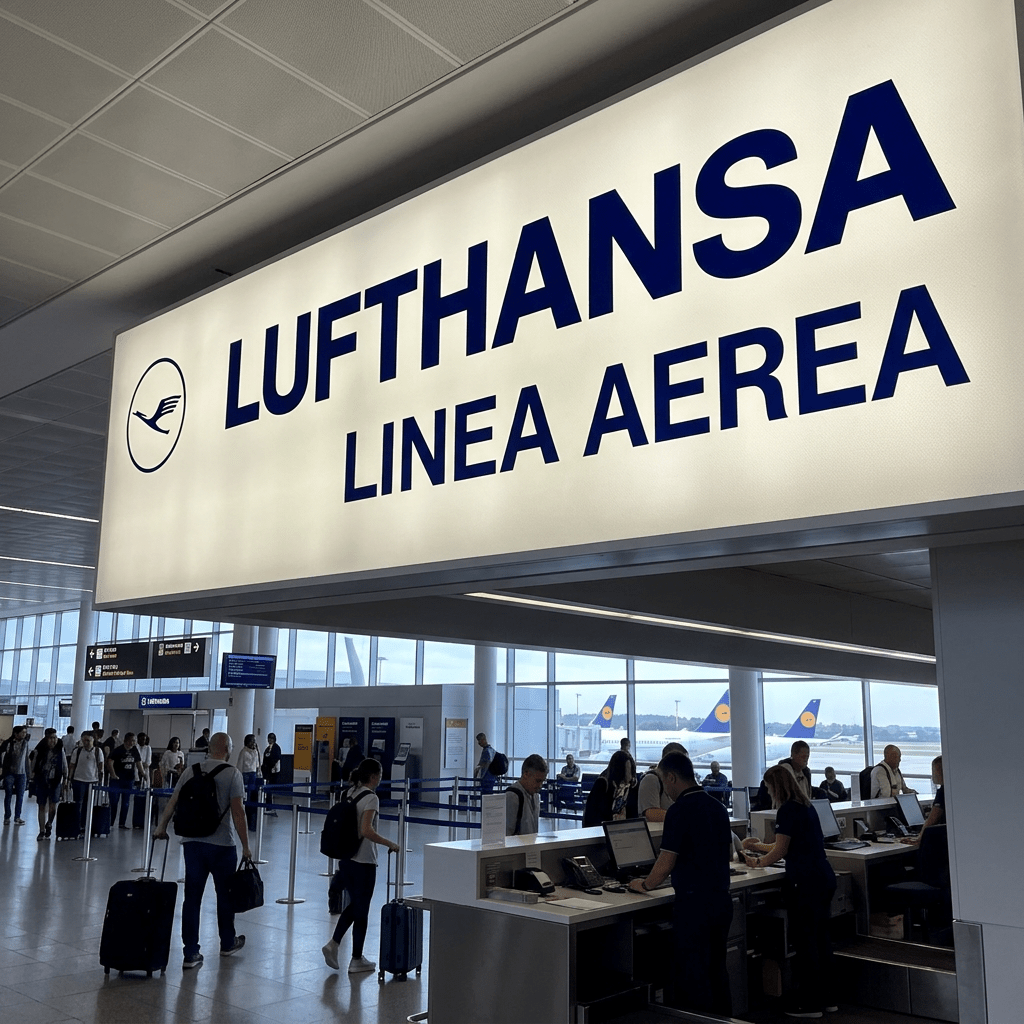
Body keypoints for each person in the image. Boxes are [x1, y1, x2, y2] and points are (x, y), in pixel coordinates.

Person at [627, 752, 733, 1016]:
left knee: (693, 975)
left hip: (694, 904)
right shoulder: (718, 807)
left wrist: (646, 884)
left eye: (665, 782)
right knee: (717, 969)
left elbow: (666, 859)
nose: (666, 789)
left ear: (672, 778)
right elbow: (729, 852)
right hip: (721, 901)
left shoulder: (678, 811)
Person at [743, 764, 838, 1019]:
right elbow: (784, 844)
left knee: (806, 943)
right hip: (823, 877)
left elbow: (781, 850)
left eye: (769, 787)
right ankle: (827, 999)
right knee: (821, 941)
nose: (768, 792)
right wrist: (759, 847)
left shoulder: (786, 810)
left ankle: (809, 1004)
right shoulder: (807, 807)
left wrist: (757, 862)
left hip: (806, 883)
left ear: (776, 787)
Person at [154, 732, 251, 969]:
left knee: (192, 898)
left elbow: (174, 800)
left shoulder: (191, 770)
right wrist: (246, 846)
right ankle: (227, 942)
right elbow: (238, 812)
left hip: (193, 843)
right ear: (228, 749)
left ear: (209, 748)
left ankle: (191, 952)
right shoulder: (233, 773)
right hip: (222, 846)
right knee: (224, 896)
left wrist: (161, 826)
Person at [321, 758, 399, 974]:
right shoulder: (371, 798)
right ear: (374, 777)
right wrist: (390, 843)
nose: (380, 779)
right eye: (380, 776)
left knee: (356, 906)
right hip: (364, 861)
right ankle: (355, 958)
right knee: (361, 909)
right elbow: (366, 830)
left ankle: (335, 944)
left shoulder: (350, 792)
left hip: (346, 858)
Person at [755, 739, 815, 810]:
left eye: (807, 757)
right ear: (793, 755)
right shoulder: (779, 776)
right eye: (803, 757)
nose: (806, 760)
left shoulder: (805, 776)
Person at [582, 749, 635, 827]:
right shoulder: (603, 783)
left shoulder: (629, 786)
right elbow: (592, 814)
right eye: (627, 771)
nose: (629, 776)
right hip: (601, 830)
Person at [900, 756, 945, 847]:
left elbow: (932, 820)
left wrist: (919, 838)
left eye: (934, 770)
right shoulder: (952, 790)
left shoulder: (942, 792)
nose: (932, 775)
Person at [638, 741, 687, 822]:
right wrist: (683, 816)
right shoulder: (651, 779)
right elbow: (651, 813)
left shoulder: (677, 781)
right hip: (656, 833)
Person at [32, 729, 67, 840]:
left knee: (53, 805)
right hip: (42, 781)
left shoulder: (60, 750)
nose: (53, 740)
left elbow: (64, 765)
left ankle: (50, 823)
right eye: (51, 738)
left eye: (55, 738)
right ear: (46, 738)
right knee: (41, 805)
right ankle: (41, 830)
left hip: (55, 781)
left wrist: (66, 779)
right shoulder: (40, 750)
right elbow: (33, 764)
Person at [69, 731, 104, 834]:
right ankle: (77, 824)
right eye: (84, 740)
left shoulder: (98, 751)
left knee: (88, 805)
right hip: (78, 780)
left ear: (93, 740)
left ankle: (86, 824)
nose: (86, 743)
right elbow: (72, 765)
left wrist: (100, 778)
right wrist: (69, 779)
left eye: (88, 740)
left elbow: (100, 765)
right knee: (78, 804)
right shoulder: (77, 751)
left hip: (92, 781)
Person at [106, 732, 142, 830]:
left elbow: (138, 763)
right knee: (114, 802)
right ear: (125, 741)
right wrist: (113, 774)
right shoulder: (118, 750)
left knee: (126, 803)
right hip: (116, 781)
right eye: (130, 740)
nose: (132, 743)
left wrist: (142, 773)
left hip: (129, 780)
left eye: (134, 741)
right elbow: (110, 762)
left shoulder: (135, 750)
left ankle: (122, 823)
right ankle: (111, 823)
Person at [505, 754, 548, 836]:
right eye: (537, 781)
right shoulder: (512, 796)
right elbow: (507, 832)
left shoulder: (535, 796)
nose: (540, 785)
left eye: (542, 781)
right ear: (526, 774)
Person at [1, 725, 30, 825]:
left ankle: (17, 816)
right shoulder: (8, 743)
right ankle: (7, 816)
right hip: (10, 773)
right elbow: (3, 757)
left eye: (25, 732)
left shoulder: (25, 743)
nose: (24, 734)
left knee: (20, 796)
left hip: (22, 773)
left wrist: (28, 773)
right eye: (22, 732)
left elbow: (26, 759)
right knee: (8, 794)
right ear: (16, 734)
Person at [236, 734, 261, 831]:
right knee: (247, 797)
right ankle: (245, 820)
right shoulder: (243, 752)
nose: (253, 743)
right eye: (252, 741)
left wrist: (259, 772)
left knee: (253, 798)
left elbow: (257, 764)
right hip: (245, 775)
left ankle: (252, 822)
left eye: (254, 741)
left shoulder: (255, 751)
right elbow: (240, 765)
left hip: (253, 775)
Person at [261, 733, 282, 815]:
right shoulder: (267, 749)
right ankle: (268, 806)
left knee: (270, 790)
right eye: (269, 738)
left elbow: (276, 759)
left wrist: (271, 767)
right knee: (268, 790)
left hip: (273, 772)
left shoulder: (276, 748)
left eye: (272, 738)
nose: (270, 740)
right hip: (267, 772)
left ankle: (270, 807)